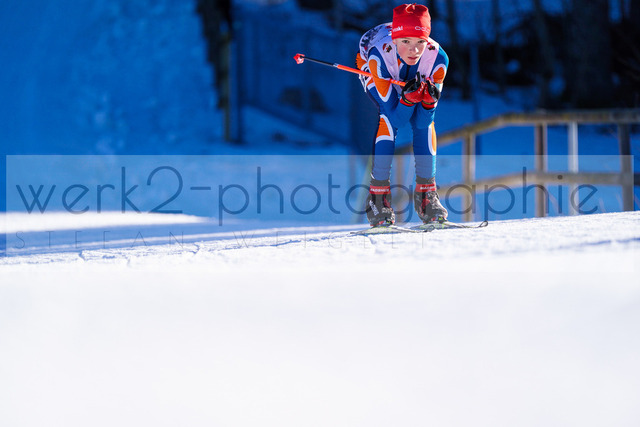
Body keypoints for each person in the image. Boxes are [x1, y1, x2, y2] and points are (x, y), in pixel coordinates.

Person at [356, 3, 449, 226]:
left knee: (424, 124)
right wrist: (408, 100)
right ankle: (377, 198)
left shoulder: (438, 60)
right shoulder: (379, 57)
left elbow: (423, 120)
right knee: (388, 120)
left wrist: (427, 103)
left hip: (406, 75)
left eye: (420, 42)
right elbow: (396, 117)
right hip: (373, 65)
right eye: (405, 41)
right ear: (395, 39)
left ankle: (427, 196)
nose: (413, 50)